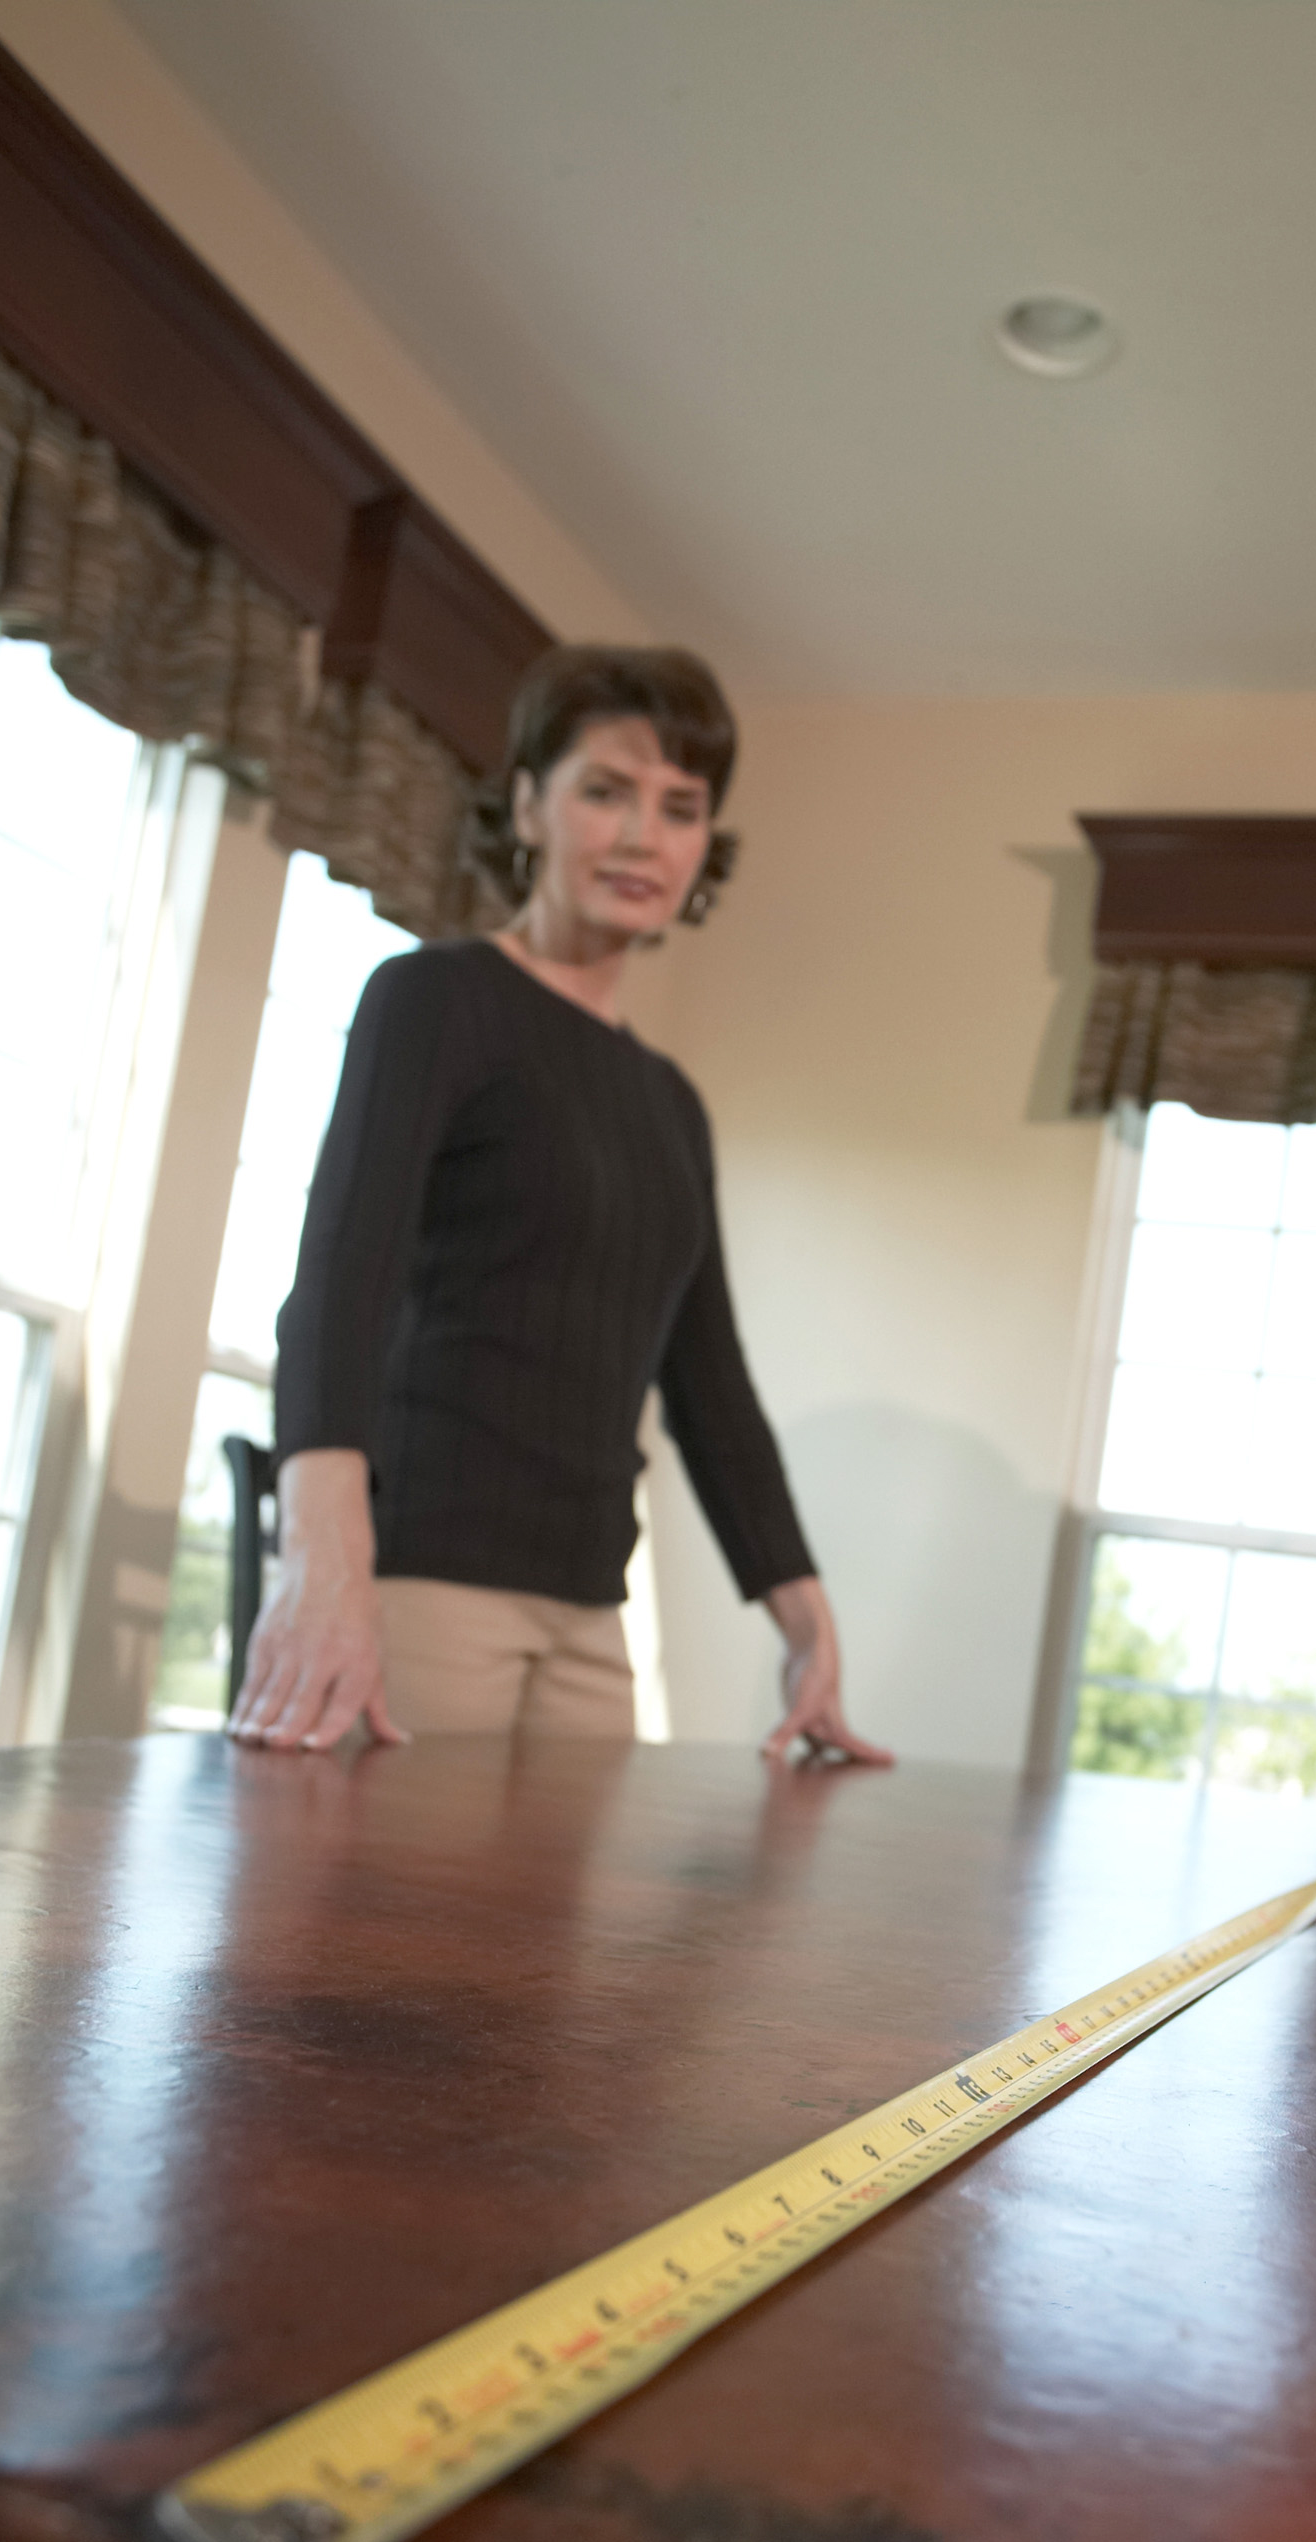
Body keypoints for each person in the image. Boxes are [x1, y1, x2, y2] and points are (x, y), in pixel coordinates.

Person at [231, 643, 888, 1765]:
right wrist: (323, 1567)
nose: (642, 836)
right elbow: (341, 1278)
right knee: (389, 1942)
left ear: (701, 852)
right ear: (528, 805)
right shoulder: (434, 1001)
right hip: (421, 1585)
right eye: (605, 792)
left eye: (680, 809)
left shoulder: (672, 1105)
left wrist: (805, 1623)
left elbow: (710, 1384)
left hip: (590, 1617)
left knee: (564, 1949)